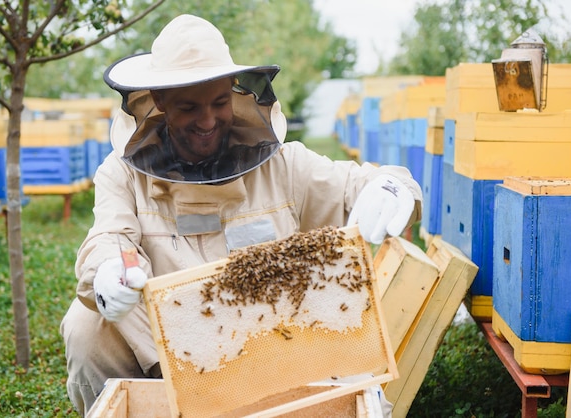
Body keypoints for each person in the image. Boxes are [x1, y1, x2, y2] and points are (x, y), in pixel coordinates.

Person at [60, 13, 422, 416]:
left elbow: (362, 182)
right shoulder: (123, 173)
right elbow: (111, 238)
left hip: (276, 346)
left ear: (234, 91)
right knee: (85, 327)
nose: (208, 120)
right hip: (171, 355)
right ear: (158, 101)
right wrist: (110, 268)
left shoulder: (283, 165)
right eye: (188, 107)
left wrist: (392, 188)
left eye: (219, 102)